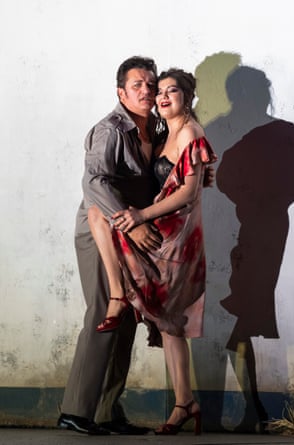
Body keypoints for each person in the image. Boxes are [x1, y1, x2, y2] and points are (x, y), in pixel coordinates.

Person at [91, 68, 216, 435]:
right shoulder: (164, 133)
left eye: (171, 91)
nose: (161, 97)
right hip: (161, 232)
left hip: (176, 240)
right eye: (158, 91)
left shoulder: (191, 132)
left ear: (187, 97)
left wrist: (140, 215)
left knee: (172, 320)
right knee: (170, 323)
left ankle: (119, 295)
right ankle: (185, 403)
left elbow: (187, 194)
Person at [57, 56, 164, 435]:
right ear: (121, 91)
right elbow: (94, 184)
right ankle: (76, 409)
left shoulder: (158, 126)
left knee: (127, 320)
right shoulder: (111, 130)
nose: (147, 91)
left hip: (133, 230)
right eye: (138, 85)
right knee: (105, 310)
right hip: (102, 228)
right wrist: (130, 225)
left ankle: (106, 411)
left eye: (151, 84)